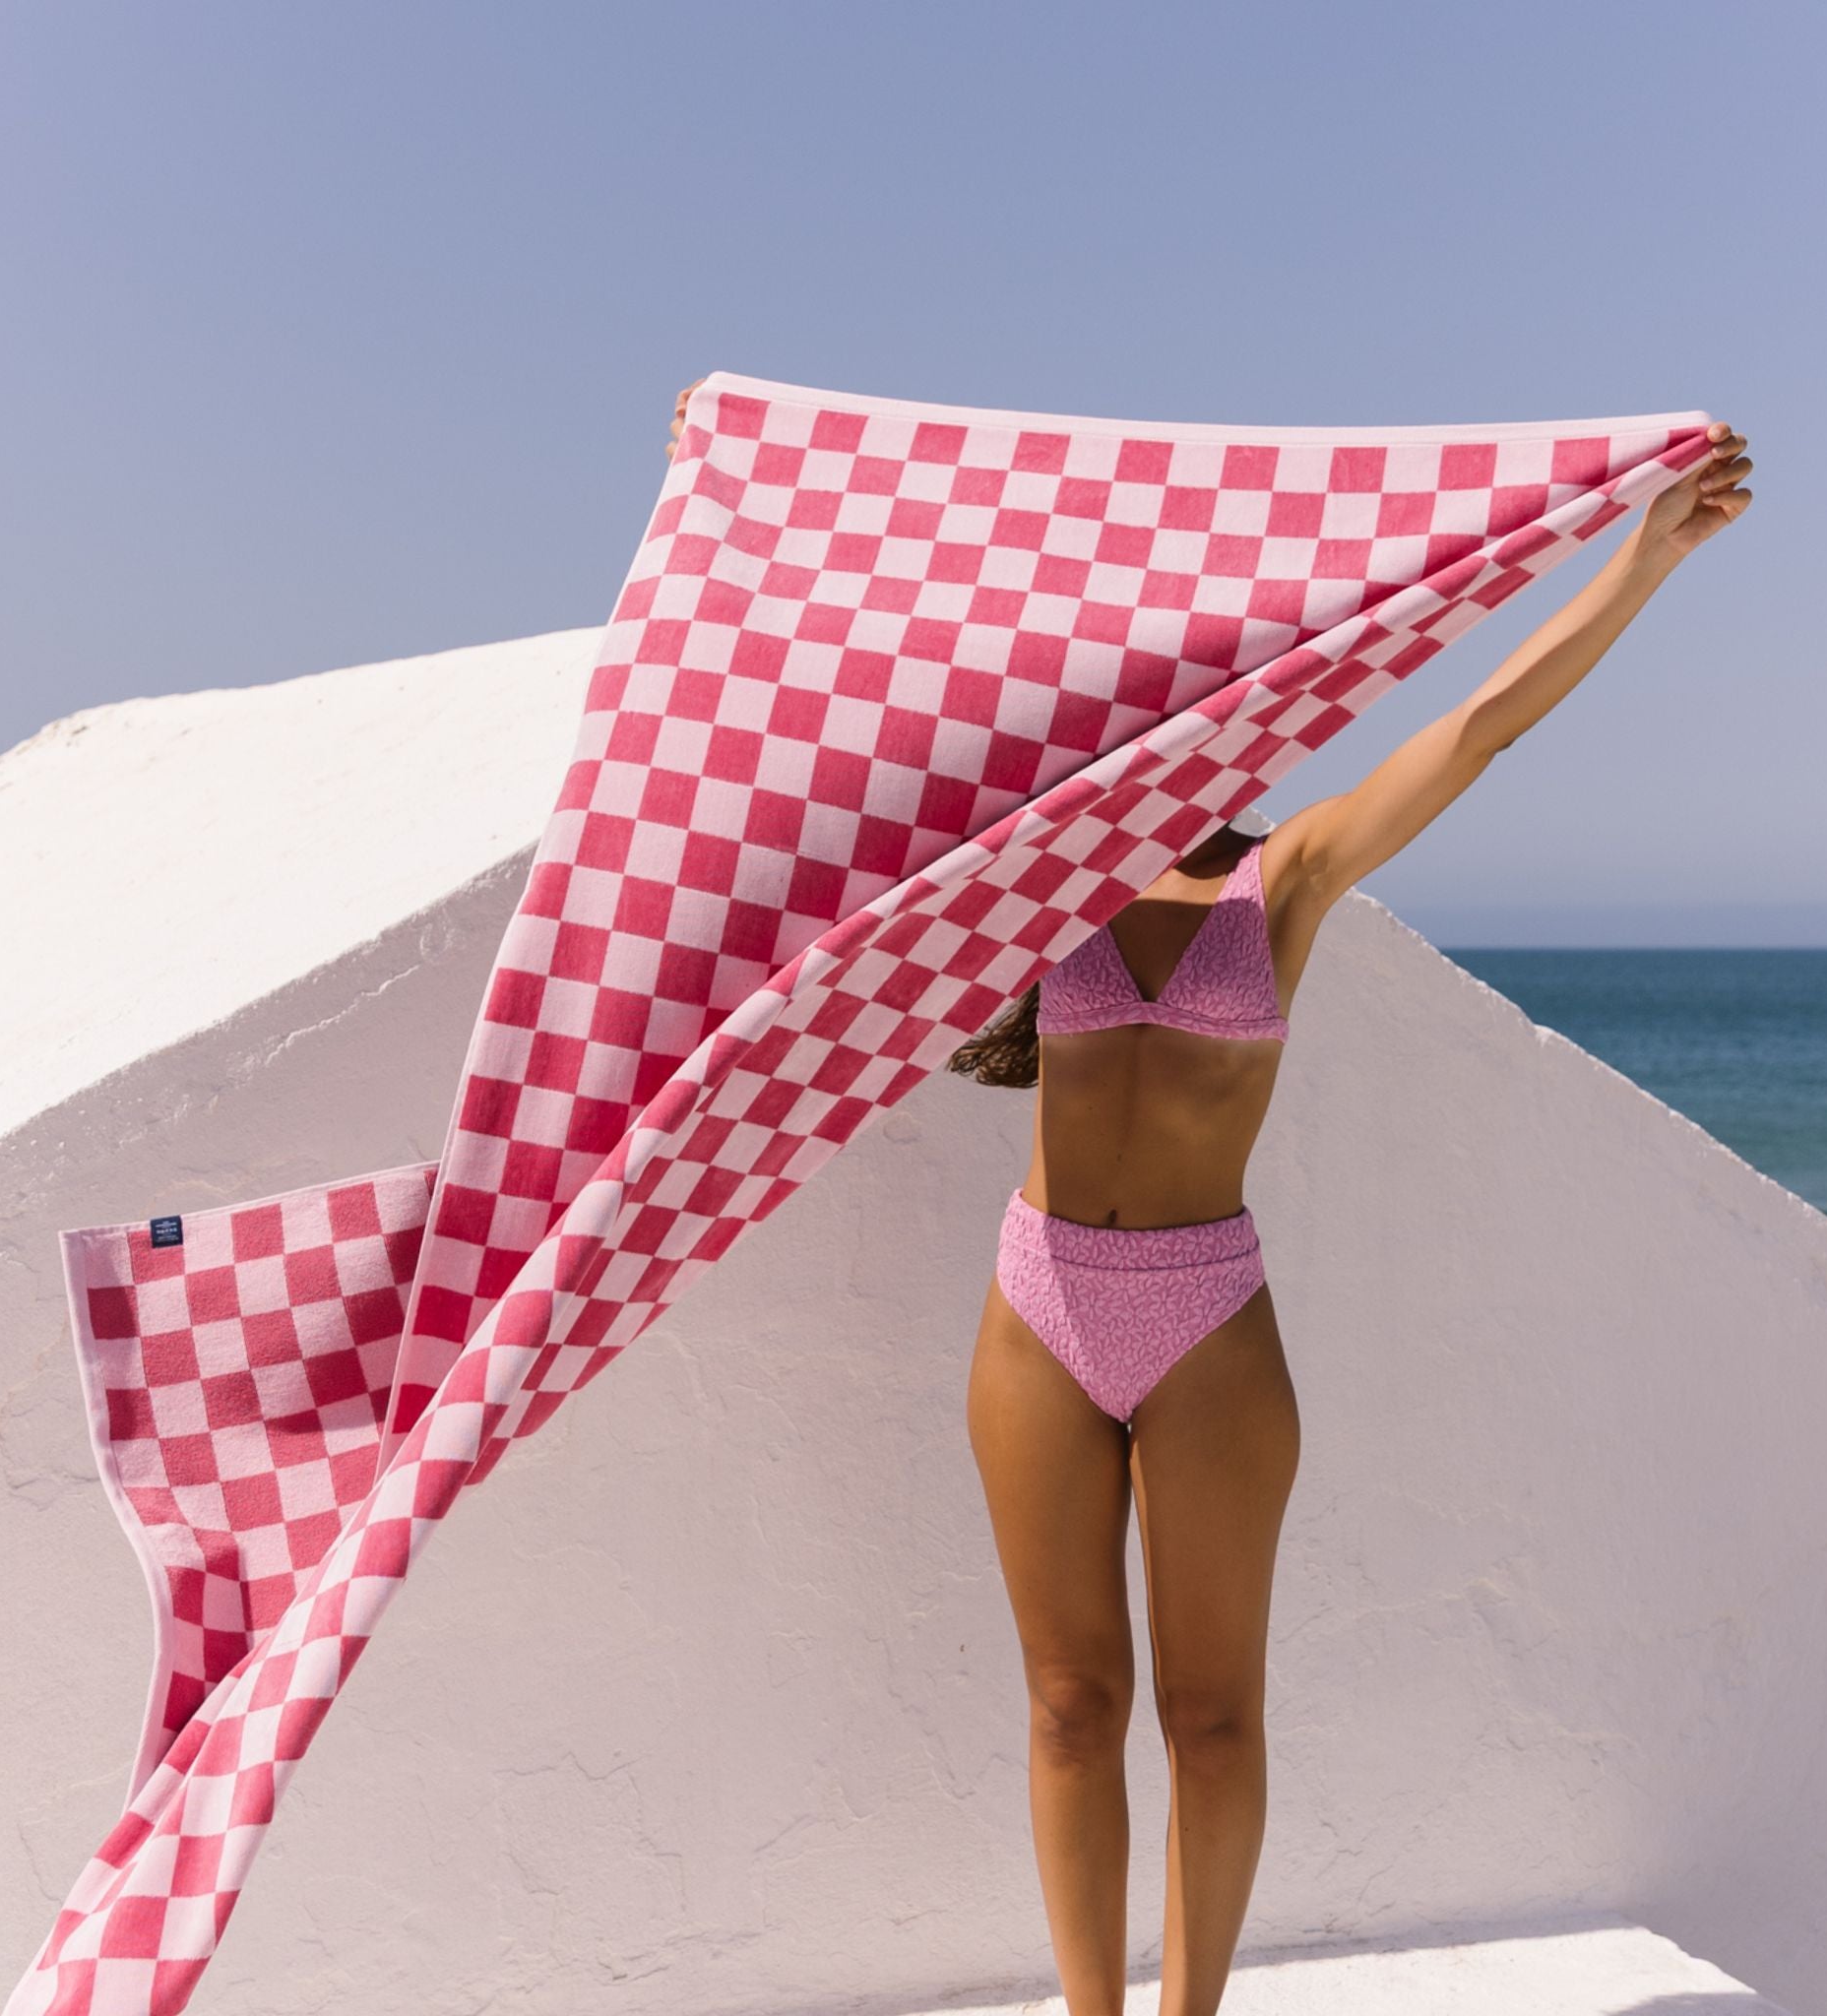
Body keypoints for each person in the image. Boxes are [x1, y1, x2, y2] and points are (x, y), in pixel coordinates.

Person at [674, 378, 1753, 2013]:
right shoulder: (1034, 874)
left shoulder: (1284, 877)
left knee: (1213, 1714)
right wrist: (740, 470)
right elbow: (841, 709)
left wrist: (1642, 563)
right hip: (1039, 1305)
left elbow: (1478, 729)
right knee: (1063, 1703)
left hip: (1206, 1316)